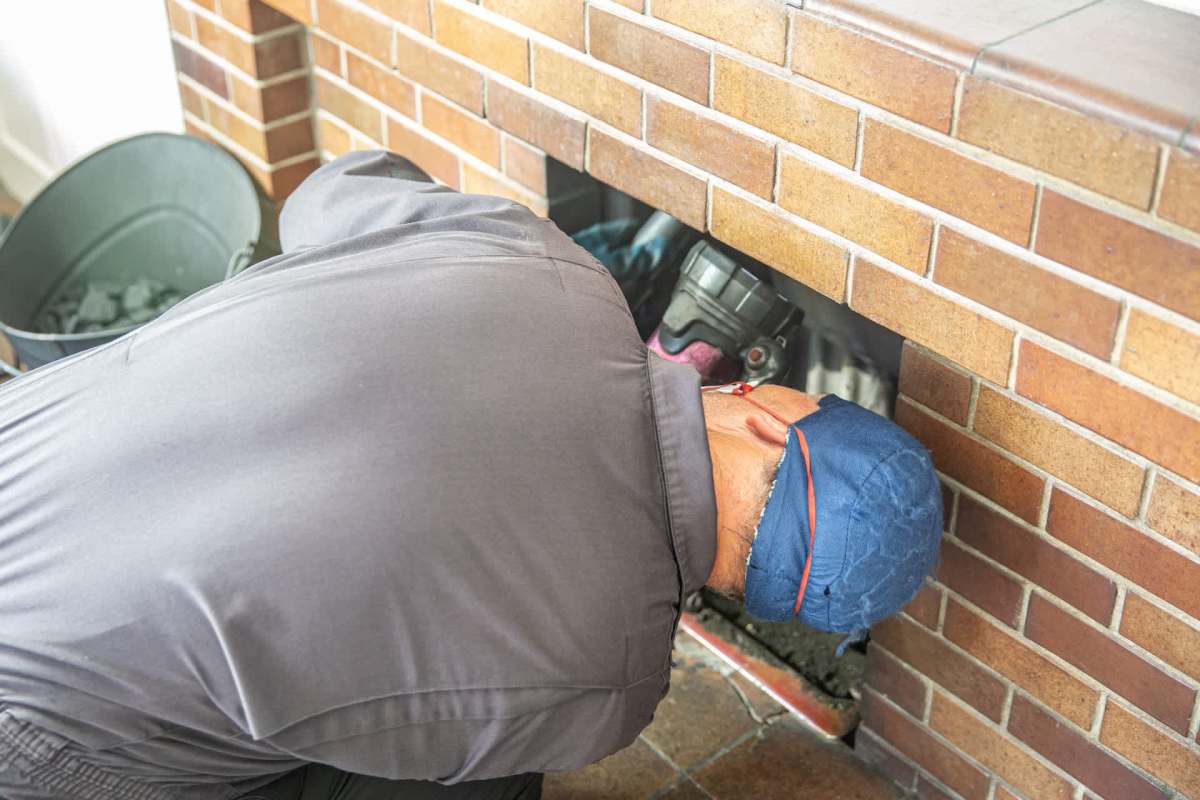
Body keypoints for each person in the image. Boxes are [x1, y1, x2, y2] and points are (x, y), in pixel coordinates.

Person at [0, 152, 942, 800]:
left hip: (24, 469)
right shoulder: (608, 689)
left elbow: (328, 192)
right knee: (495, 771)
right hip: (46, 725)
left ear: (771, 412)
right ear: (775, 598)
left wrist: (447, 285)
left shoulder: (547, 266)